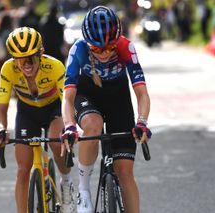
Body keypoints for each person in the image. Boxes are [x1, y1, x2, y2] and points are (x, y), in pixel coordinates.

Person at [60, 6, 152, 213]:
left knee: (125, 172)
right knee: (93, 125)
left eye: (109, 47)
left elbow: (141, 93)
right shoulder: (79, 49)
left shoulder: (126, 47)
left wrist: (142, 122)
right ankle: (83, 190)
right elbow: (68, 98)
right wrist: (69, 126)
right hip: (87, 97)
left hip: (118, 99)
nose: (104, 53)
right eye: (97, 49)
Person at [0, 27, 75, 213]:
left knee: (55, 141)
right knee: (23, 170)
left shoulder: (55, 67)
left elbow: (67, 104)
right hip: (27, 112)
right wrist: (0, 129)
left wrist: (70, 127)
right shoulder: (8, 69)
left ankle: (66, 181)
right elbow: (1, 109)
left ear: (41, 53)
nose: (26, 64)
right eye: (20, 60)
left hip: (55, 109)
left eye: (31, 58)